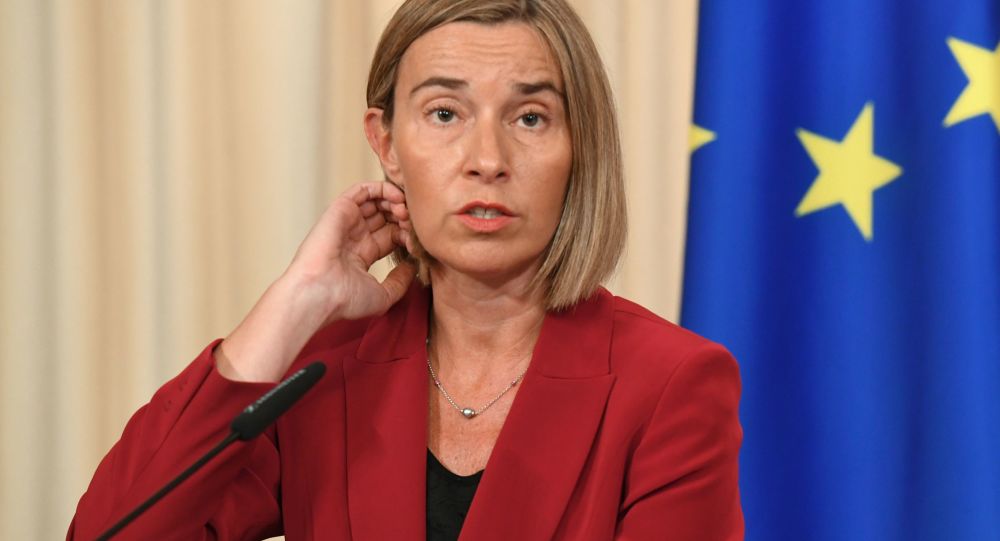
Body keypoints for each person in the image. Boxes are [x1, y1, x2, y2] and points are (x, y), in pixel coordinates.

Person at [68, 0, 744, 539]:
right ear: (387, 143)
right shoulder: (322, 371)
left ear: (579, 147)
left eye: (531, 118)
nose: (487, 159)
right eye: (445, 113)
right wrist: (293, 302)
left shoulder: (671, 385)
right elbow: (114, 531)